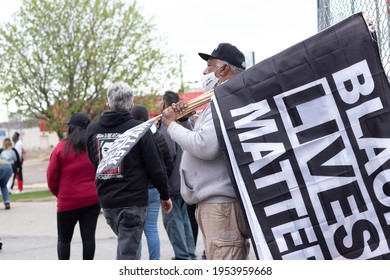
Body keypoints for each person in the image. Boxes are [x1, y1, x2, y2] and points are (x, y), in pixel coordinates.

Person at [161, 43, 251, 260]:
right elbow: (207, 139)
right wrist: (183, 123)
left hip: (221, 204)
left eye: (209, 66)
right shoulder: (224, 97)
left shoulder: (225, 99)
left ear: (223, 70)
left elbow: (205, 146)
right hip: (221, 202)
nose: (204, 72)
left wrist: (171, 126)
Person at [86, 81, 172, 260]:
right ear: (131, 103)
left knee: (126, 249)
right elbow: (156, 167)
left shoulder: (93, 130)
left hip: (107, 201)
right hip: (132, 202)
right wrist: (164, 195)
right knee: (128, 256)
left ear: (108, 103)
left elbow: (94, 160)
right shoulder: (139, 130)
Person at [46, 113, 100, 260]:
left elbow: (51, 177)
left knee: (64, 239)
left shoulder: (61, 148)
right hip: (92, 200)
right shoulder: (95, 146)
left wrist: (59, 194)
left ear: (71, 128)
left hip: (68, 202)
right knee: (89, 238)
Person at [131, 104, 174, 260]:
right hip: (155, 189)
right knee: (151, 229)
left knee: (135, 229)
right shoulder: (158, 136)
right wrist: (162, 182)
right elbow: (168, 164)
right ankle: (154, 262)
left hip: (137, 189)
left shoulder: (130, 139)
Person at [158, 91, 197, 260]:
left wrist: (163, 185)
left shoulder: (167, 129)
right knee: (184, 220)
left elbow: (168, 158)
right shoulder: (184, 124)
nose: (159, 105)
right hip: (183, 181)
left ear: (166, 105)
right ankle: (189, 254)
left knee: (173, 222)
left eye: (161, 102)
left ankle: (183, 257)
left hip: (172, 183)